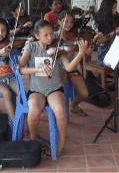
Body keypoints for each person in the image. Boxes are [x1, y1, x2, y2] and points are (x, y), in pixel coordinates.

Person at [19, 19, 88, 154]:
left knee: (61, 113)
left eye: (51, 34)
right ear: (37, 36)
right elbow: (20, 69)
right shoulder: (31, 48)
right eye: (45, 35)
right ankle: (34, 140)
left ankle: (61, 144)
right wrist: (39, 70)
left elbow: (69, 67)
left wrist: (80, 53)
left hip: (54, 89)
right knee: (33, 112)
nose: (51, 37)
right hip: (36, 90)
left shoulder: (59, 49)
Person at [55, 11, 92, 116]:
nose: (69, 24)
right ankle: (59, 113)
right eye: (66, 22)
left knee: (84, 94)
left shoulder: (74, 36)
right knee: (60, 92)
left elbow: (88, 52)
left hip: (72, 68)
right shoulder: (52, 37)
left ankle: (73, 105)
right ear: (59, 22)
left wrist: (94, 43)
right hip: (58, 69)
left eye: (71, 22)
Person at [0, 18, 18, 120]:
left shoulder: (8, 44)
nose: (0, 33)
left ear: (7, 32)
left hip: (10, 76)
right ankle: (14, 121)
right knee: (6, 93)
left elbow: (19, 55)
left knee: (22, 94)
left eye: (3, 31)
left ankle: (25, 125)